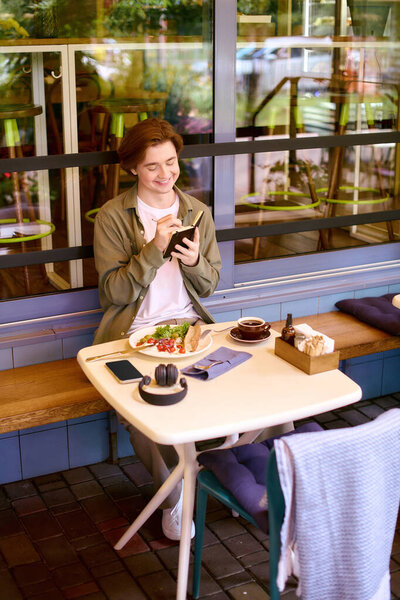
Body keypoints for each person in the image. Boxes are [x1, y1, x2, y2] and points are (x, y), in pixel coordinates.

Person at [93, 117, 222, 540]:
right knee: (140, 412)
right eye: (153, 166)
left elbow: (211, 283)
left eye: (171, 162)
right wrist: (152, 250)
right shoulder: (113, 216)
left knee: (249, 388)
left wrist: (190, 260)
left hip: (190, 330)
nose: (165, 174)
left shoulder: (197, 212)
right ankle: (174, 496)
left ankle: (228, 467)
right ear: (133, 168)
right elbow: (113, 292)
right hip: (133, 334)